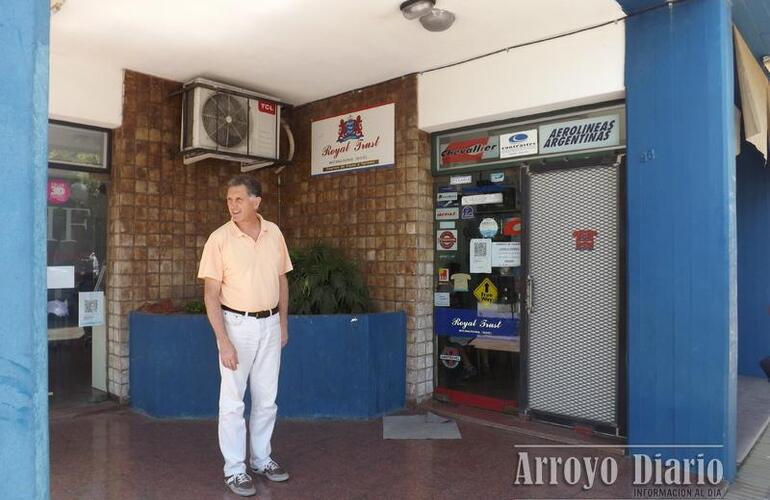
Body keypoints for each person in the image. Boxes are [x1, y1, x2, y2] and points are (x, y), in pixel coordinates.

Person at [198, 175, 293, 497]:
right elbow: (211, 294)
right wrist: (223, 340)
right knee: (232, 403)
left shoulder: (274, 233)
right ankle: (235, 470)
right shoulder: (219, 239)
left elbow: (282, 279)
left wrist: (282, 323)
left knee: (267, 400)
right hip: (236, 327)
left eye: (239, 199)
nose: (232, 205)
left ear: (256, 201)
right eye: (229, 200)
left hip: (269, 326)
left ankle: (262, 459)